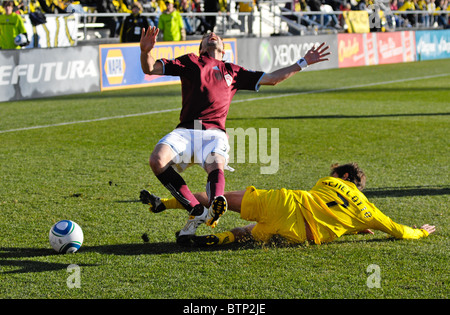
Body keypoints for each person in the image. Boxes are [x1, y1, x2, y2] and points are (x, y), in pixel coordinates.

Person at [139, 26, 330, 242]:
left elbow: (272, 78)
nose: (211, 34)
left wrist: (303, 63)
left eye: (216, 36)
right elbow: (150, 68)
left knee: (215, 164)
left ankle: (216, 202)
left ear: (223, 48)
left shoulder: (233, 71)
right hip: (186, 130)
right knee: (157, 160)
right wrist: (146, 51)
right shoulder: (191, 61)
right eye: (206, 36)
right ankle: (196, 210)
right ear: (201, 47)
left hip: (214, 134)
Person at [143, 163, 436, 246]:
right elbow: (398, 230)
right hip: (299, 233)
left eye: (336, 171)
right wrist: (420, 232)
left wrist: (352, 228)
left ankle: (167, 203)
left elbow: (326, 204)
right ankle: (213, 239)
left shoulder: (328, 182)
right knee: (249, 232)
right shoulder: (370, 214)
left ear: (343, 177)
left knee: (217, 198)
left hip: (284, 201)